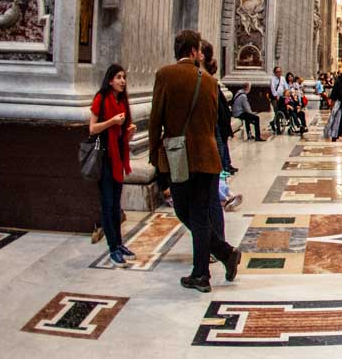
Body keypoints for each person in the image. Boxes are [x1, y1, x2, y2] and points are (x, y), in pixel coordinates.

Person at [149, 30, 240, 293]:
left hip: (180, 157)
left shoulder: (165, 75)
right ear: (193, 51)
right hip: (207, 156)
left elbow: (156, 118)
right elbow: (213, 120)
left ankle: (205, 270)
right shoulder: (209, 81)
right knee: (199, 213)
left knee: (186, 211)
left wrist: (155, 154)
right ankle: (221, 255)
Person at [88, 64, 136, 268]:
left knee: (116, 204)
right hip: (106, 157)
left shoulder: (122, 101)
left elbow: (123, 130)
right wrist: (112, 122)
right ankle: (112, 247)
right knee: (108, 205)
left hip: (119, 156)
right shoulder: (101, 98)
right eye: (118, 77)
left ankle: (119, 243)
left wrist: (129, 132)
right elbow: (92, 128)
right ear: (110, 80)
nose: (122, 81)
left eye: (124, 77)